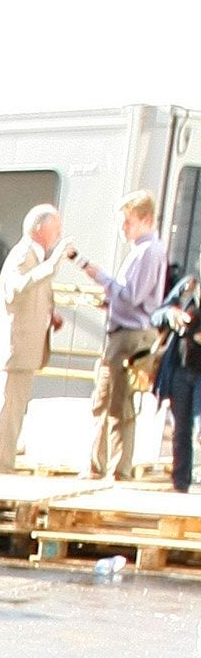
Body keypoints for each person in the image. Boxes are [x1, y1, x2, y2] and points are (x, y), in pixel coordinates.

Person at [79, 190, 167, 477]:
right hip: (124, 331)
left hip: (130, 335)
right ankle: (98, 464)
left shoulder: (148, 252)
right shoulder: (142, 252)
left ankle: (118, 469)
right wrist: (109, 298)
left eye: (128, 222)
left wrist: (101, 277)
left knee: (118, 403)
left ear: (146, 220)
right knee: (104, 400)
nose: (122, 229)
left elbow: (133, 297)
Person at [0, 206, 70, 474]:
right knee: (6, 418)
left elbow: (30, 293)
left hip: (21, 353)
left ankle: (1, 472)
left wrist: (49, 314)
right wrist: (52, 266)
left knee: (13, 417)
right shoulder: (23, 254)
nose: (59, 233)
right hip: (12, 352)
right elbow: (16, 288)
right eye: (56, 227)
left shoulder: (35, 256)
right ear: (40, 228)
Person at [154, 267, 201, 492]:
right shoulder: (187, 287)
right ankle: (180, 483)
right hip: (181, 369)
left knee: (199, 429)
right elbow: (157, 314)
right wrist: (171, 314)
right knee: (180, 430)